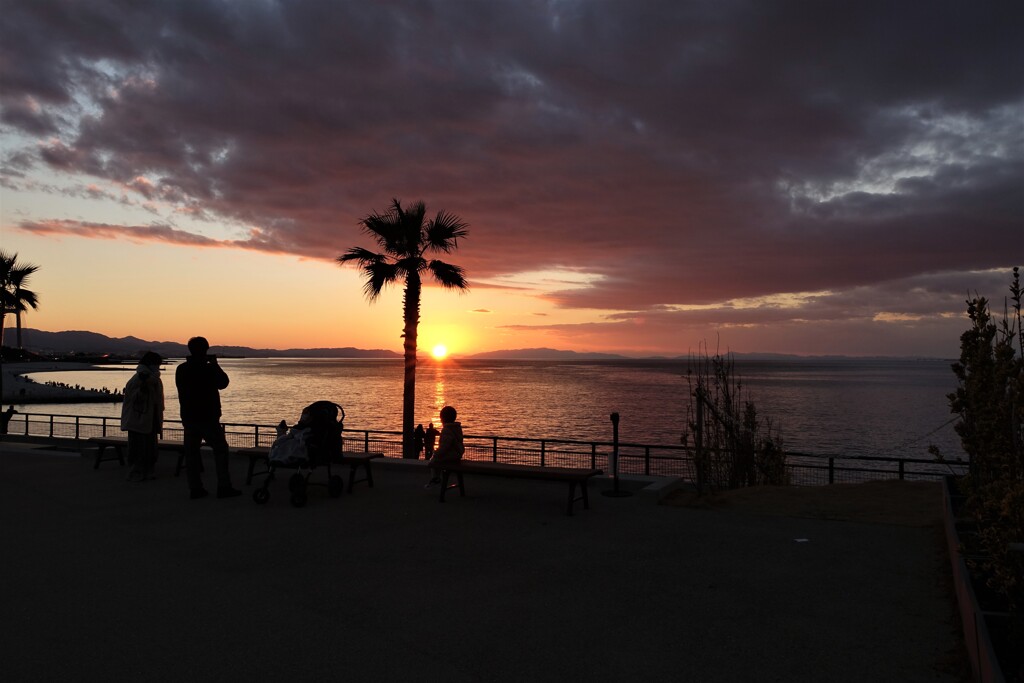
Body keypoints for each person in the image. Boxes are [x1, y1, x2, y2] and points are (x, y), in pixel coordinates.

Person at [175, 336, 241, 499]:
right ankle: (224, 487)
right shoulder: (208, 369)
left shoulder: (181, 369)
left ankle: (195, 489)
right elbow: (223, 383)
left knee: (191, 454)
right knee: (220, 450)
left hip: (189, 417)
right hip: (208, 417)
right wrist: (215, 365)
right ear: (206, 349)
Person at [119, 352, 164, 481]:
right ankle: (136, 472)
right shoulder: (139, 378)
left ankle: (147, 470)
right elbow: (134, 399)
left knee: (149, 447)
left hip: (151, 418)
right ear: (150, 364)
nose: (158, 367)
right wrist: (142, 390)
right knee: (137, 448)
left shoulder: (153, 378)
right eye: (157, 364)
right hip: (139, 419)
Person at [424, 406, 464, 488]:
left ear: (443, 418)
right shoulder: (457, 428)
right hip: (457, 454)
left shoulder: (446, 430)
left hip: (451, 455)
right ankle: (436, 478)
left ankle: (435, 478)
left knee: (433, 460)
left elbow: (444, 447)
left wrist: (436, 452)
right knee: (436, 458)